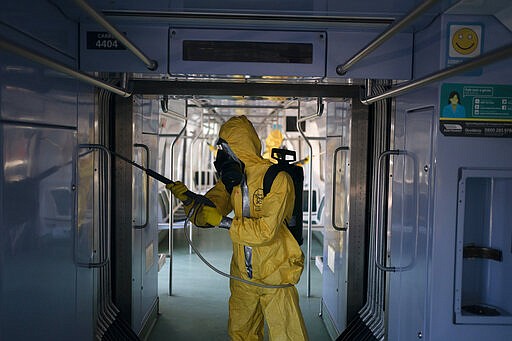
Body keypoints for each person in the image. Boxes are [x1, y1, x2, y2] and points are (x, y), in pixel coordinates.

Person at [167, 115, 308, 341]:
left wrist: (224, 222)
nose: (221, 156)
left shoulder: (278, 179)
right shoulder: (231, 182)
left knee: (288, 336)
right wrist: (189, 200)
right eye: (220, 149)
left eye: (225, 149)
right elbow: (207, 213)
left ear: (240, 149)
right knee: (241, 334)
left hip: (275, 272)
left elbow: (265, 231)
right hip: (243, 275)